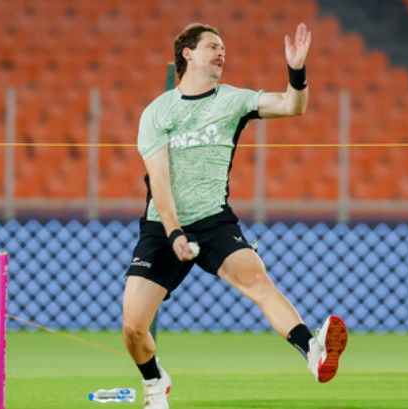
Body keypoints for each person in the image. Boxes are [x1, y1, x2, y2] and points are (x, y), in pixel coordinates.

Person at [122, 22, 348, 409]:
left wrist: (296, 69)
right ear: (188, 53)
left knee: (258, 281)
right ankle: (155, 382)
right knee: (132, 327)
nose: (221, 52)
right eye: (212, 46)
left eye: (223, 48)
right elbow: (159, 180)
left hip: (214, 220)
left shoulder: (233, 100)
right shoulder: (158, 112)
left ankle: (313, 352)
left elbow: (293, 106)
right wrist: (174, 232)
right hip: (163, 227)